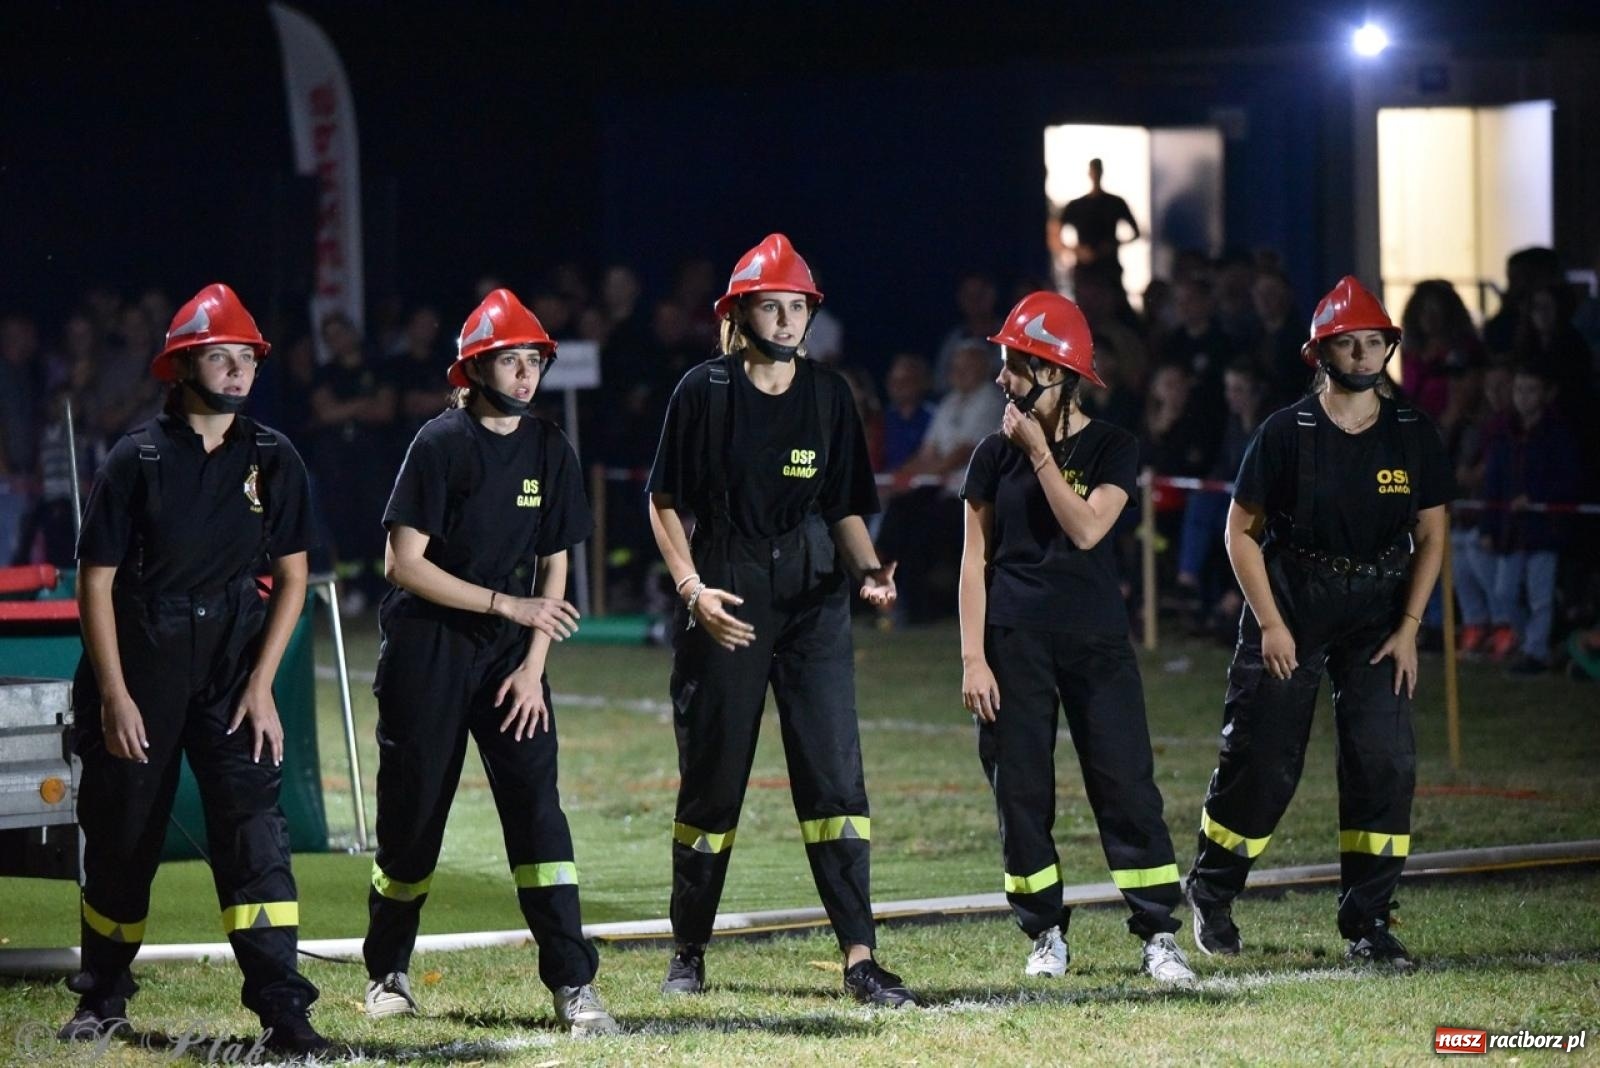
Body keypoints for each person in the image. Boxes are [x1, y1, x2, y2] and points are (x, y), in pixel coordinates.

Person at [646, 233, 916, 1007]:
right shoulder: (702, 390)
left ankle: (861, 958)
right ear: (741, 312)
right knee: (714, 782)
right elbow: (663, 502)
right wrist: (693, 589)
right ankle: (688, 949)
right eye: (775, 305)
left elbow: (841, 509)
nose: (791, 318)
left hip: (813, 599)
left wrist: (870, 572)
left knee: (835, 777)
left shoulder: (831, 396)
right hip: (726, 590)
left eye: (800, 306)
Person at [62, 284, 329, 1055]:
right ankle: (102, 999)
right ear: (182, 366)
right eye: (223, 356)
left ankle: (285, 1014)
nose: (240, 370)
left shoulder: (273, 457)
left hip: (232, 667)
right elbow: (96, 584)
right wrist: (113, 695)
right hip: (141, 664)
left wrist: (262, 684)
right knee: (122, 838)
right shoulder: (136, 458)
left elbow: (294, 575)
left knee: (256, 840)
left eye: (248, 357)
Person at [360, 289, 619, 1036]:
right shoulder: (440, 443)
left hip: (513, 662)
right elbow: (401, 563)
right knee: (412, 822)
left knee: (539, 820)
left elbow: (557, 562)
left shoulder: (549, 447)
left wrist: (534, 663)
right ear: (475, 370)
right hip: (428, 653)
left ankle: (574, 984)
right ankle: (387, 972)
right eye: (511, 360)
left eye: (534, 360)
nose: (527, 373)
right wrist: (510, 609)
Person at [1185, 276, 1455, 971]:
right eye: (1350, 343)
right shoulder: (1284, 433)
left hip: (1378, 615)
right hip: (1293, 604)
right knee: (1264, 765)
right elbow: (1238, 534)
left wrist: (1410, 627)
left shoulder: (1413, 434)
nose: (1365, 356)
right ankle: (1211, 895)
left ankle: (1368, 921)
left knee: (1384, 762)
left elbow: (1432, 532)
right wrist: (1271, 625)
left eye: (1376, 343)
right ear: (1321, 354)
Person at [957, 291, 1196, 986]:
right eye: (1004, 365)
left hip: (1095, 640)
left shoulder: (1114, 446)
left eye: (1016, 368)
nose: (1004, 379)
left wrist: (1039, 457)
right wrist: (974, 657)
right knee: (1021, 793)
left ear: (1057, 375)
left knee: (1126, 785)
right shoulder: (988, 456)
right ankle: (1045, 935)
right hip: (1011, 642)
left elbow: (1088, 528)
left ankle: (1157, 933)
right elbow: (975, 559)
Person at [1057, 158, 1141, 300]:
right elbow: (1055, 232)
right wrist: (1077, 250)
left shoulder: (1114, 203)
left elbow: (1136, 232)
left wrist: (1112, 246)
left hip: (1108, 268)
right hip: (1087, 268)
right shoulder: (1078, 205)